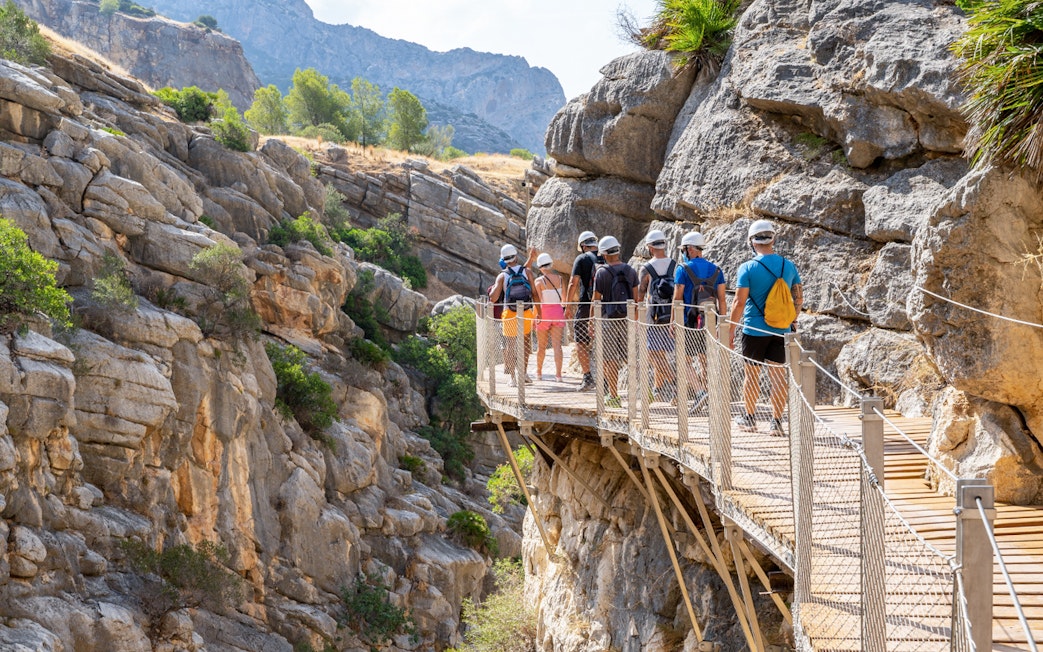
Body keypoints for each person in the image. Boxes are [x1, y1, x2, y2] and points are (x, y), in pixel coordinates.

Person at [727, 219, 803, 436]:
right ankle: (776, 422)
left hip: (754, 330)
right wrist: (792, 320)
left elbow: (739, 302)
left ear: (752, 241)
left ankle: (749, 418)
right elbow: (798, 298)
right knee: (778, 376)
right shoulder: (788, 265)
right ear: (773, 238)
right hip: (781, 330)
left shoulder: (748, 267)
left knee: (751, 376)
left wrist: (731, 330)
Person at [673, 231, 728, 415]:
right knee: (705, 359)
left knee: (684, 360)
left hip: (689, 321)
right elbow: (722, 299)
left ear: (689, 249)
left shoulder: (683, 269)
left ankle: (700, 392)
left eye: (684, 249)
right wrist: (722, 323)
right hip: (710, 322)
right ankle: (710, 394)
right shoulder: (716, 270)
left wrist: (674, 320)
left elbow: (677, 297)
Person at [591, 235, 638, 407]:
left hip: (607, 320)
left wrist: (591, 322)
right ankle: (641, 390)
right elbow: (636, 298)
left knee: (610, 359)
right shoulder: (631, 270)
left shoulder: (601, 272)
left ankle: (613, 395)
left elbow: (596, 300)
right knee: (631, 357)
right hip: (627, 319)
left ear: (604, 254)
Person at [635, 229, 676, 401]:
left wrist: (637, 318)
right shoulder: (674, 264)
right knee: (662, 354)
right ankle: (658, 389)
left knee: (653, 353)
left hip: (654, 316)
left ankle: (675, 384)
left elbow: (640, 295)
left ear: (650, 247)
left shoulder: (646, 268)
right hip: (672, 315)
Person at [488, 243, 537, 386]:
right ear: (515, 256)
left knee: (510, 344)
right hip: (527, 311)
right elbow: (534, 292)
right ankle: (524, 373)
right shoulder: (527, 272)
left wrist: (491, 292)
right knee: (525, 342)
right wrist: (538, 311)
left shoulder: (502, 276)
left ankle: (513, 378)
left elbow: (494, 298)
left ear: (504, 259)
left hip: (509, 312)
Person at [566, 231, 600, 391]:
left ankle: (587, 377)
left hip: (587, 305)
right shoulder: (607, 255)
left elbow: (573, 283)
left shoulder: (582, 259)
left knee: (580, 341)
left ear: (583, 245)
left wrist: (567, 306)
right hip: (608, 306)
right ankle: (606, 381)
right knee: (605, 343)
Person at [533, 252, 565, 382]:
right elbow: (564, 299)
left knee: (541, 346)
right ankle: (558, 375)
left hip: (543, 314)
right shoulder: (561, 279)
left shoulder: (539, 281)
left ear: (540, 267)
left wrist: (536, 316)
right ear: (551, 264)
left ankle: (539, 373)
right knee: (557, 346)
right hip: (558, 312)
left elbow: (538, 301)